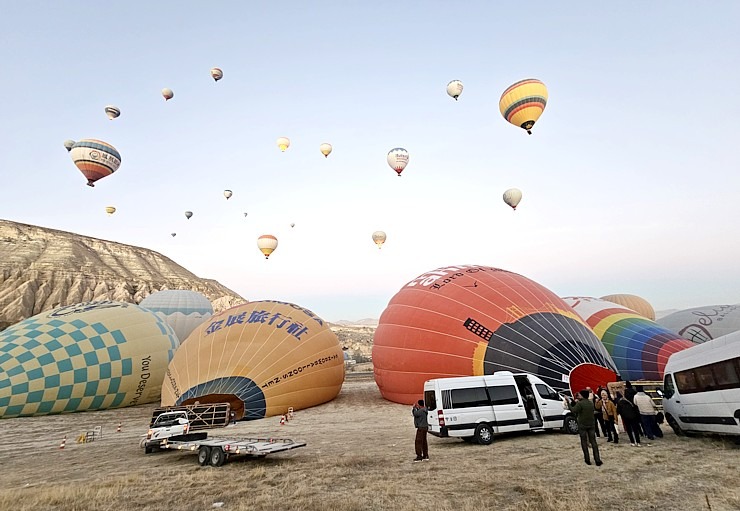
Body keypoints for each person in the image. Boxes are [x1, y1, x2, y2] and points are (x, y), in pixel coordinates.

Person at [566, 389, 603, 466]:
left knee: (584, 441)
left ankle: (587, 459)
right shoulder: (590, 403)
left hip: (582, 424)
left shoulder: (580, 404)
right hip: (591, 424)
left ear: (582, 395)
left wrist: (568, 403)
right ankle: (597, 459)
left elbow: (573, 410)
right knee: (593, 442)